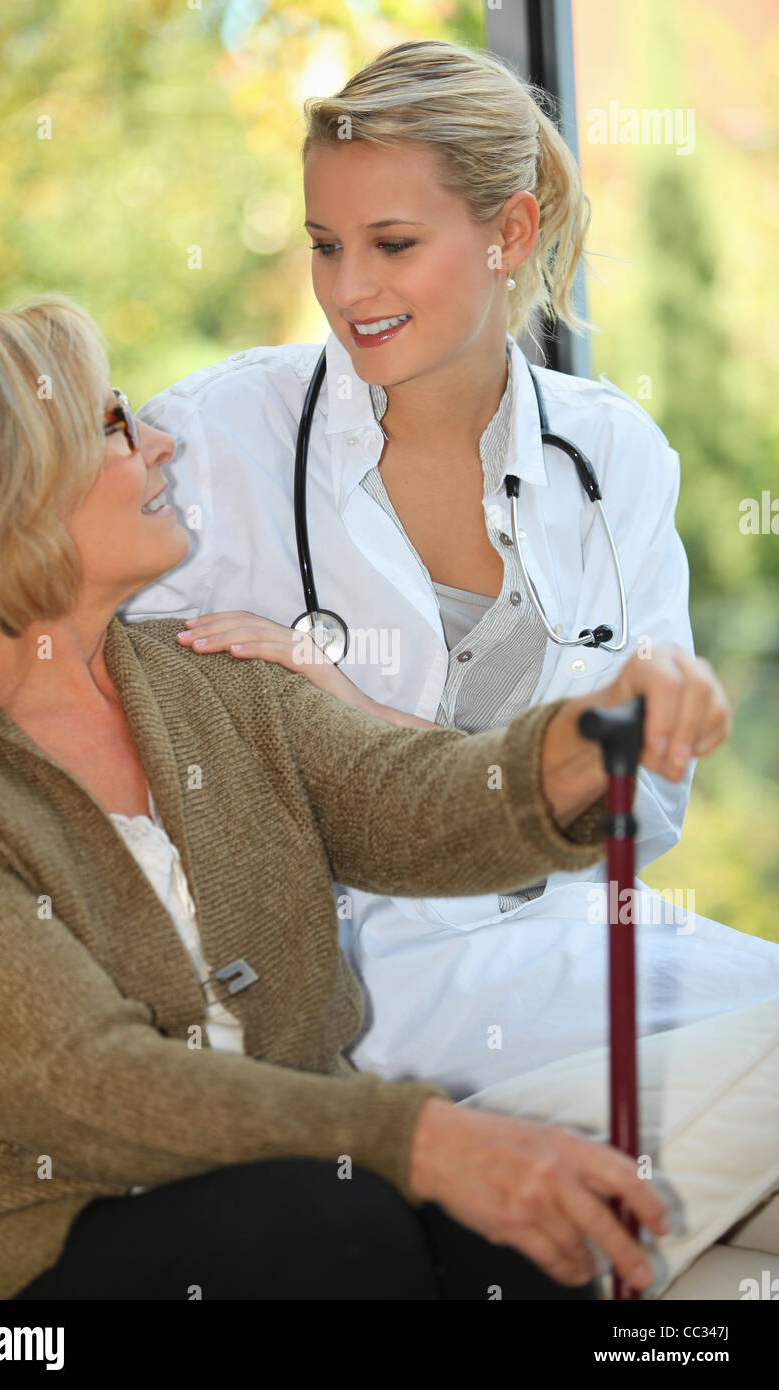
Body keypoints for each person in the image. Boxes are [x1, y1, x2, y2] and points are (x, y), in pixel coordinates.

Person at [0, 296, 727, 1301]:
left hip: (303, 1192)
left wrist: (590, 733)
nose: (162, 443)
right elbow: (85, 1079)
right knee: (330, 1227)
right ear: (12, 490)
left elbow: (413, 802)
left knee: (525, 1250)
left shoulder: (209, 674)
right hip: (46, 1253)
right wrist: (416, 1140)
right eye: (115, 425)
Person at [119, 38, 779, 1098]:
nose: (348, 288)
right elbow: (129, 766)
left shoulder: (612, 455)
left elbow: (642, 813)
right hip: (360, 979)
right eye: (325, 244)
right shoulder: (212, 439)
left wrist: (352, 713)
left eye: (391, 243)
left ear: (507, 232)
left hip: (575, 939)